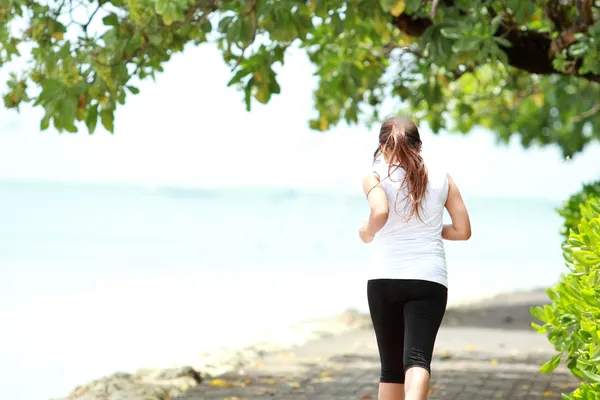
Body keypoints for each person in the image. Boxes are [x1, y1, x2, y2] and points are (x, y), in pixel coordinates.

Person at [359, 116, 471, 400]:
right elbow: (463, 231)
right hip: (428, 279)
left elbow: (380, 213)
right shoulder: (442, 178)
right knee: (418, 359)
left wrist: (366, 232)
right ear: (419, 146)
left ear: (382, 147)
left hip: (384, 279)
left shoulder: (374, 176)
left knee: (390, 368)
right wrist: (431, 228)